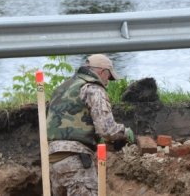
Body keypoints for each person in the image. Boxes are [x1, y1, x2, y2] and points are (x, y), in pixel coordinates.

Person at [46, 54, 135, 196]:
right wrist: (125, 132)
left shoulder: (62, 88)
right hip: (75, 159)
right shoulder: (93, 89)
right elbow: (107, 129)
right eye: (109, 77)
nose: (107, 82)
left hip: (52, 161)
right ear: (102, 72)